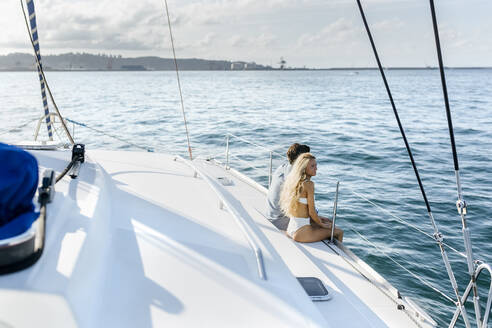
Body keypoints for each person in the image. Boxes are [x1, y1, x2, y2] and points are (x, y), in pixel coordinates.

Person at [280, 153, 343, 243]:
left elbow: (302, 210)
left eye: (316, 165)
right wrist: (322, 225)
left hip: (291, 228)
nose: (316, 168)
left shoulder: (294, 182)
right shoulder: (309, 184)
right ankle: (339, 256)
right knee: (339, 232)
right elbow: (312, 212)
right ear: (304, 168)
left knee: (328, 221)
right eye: (312, 166)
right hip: (302, 232)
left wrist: (320, 218)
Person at [266, 143, 310, 229]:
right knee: (330, 230)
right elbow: (298, 209)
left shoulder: (281, 168)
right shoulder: (295, 178)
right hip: (280, 222)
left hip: (271, 216)